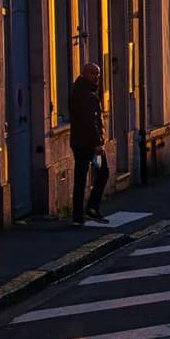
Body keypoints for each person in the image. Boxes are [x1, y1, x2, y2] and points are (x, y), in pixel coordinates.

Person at [68, 61, 108, 224]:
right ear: (84, 74)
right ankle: (91, 208)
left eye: (98, 74)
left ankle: (78, 215)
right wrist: (97, 143)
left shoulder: (82, 90)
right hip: (89, 144)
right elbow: (89, 121)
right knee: (103, 172)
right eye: (93, 73)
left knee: (81, 177)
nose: (96, 77)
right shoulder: (86, 94)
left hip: (81, 142)